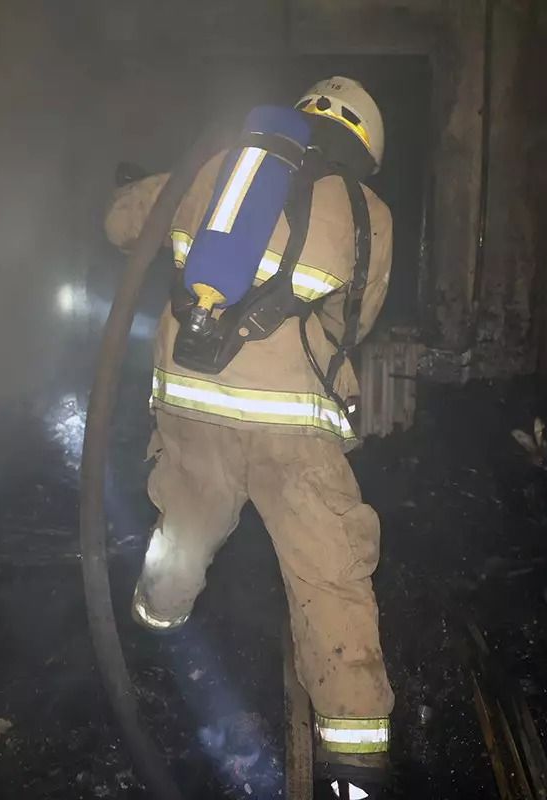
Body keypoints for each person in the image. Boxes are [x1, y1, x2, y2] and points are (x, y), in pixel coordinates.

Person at [104, 76, 394, 795]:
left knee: (186, 523)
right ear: (364, 147)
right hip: (290, 423)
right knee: (328, 571)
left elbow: (121, 223)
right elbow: (353, 323)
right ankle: (355, 763)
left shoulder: (217, 165)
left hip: (191, 398)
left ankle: (156, 631)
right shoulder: (368, 211)